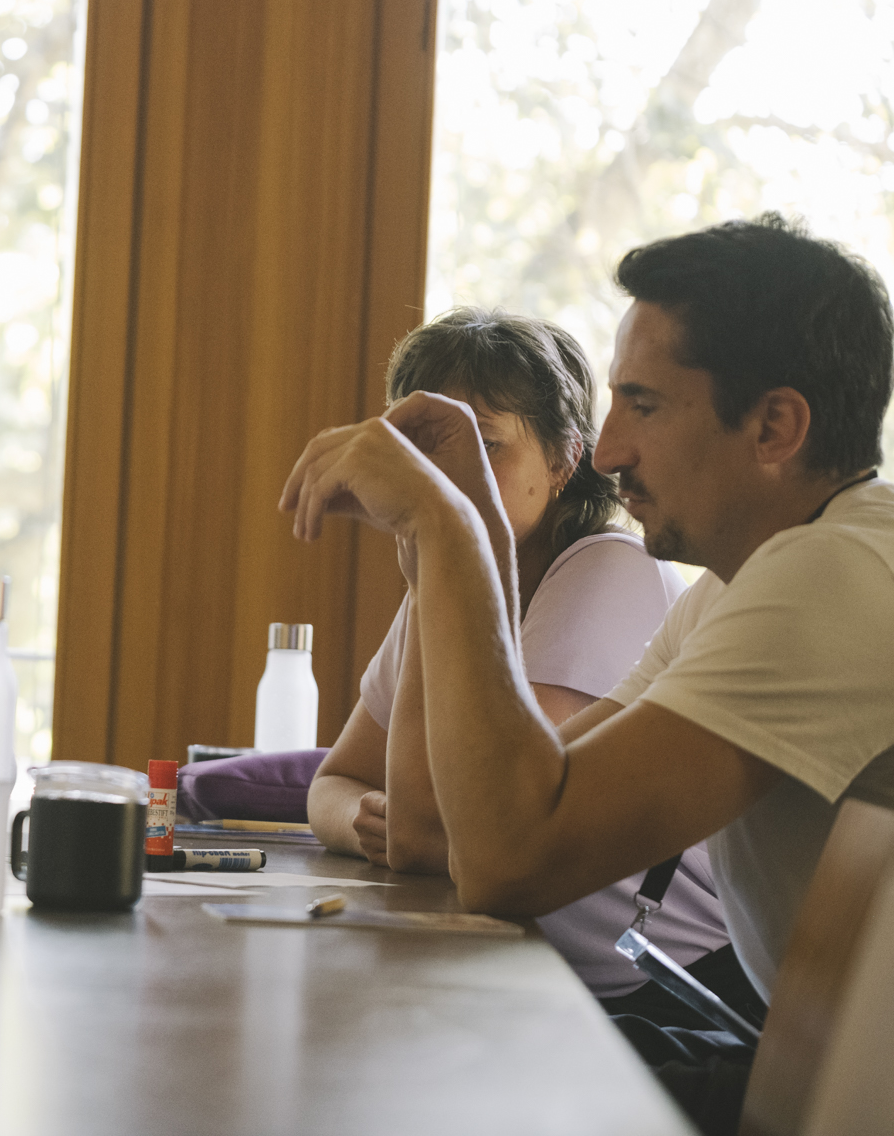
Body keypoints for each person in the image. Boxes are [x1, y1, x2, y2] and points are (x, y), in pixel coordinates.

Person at [280, 214, 894, 1135]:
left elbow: (510, 858)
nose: (606, 452)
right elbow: (463, 822)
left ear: (775, 426)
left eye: (643, 405)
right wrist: (465, 528)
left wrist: (450, 529)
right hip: (791, 1066)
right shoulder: (734, 587)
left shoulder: (834, 573)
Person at [308, 308, 750, 1020]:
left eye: (484, 445)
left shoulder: (609, 569)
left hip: (660, 995)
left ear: (563, 460)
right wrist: (363, 815)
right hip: (537, 974)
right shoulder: (451, 579)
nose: (443, 475)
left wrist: (439, 545)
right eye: (419, 448)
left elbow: (435, 830)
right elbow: (335, 779)